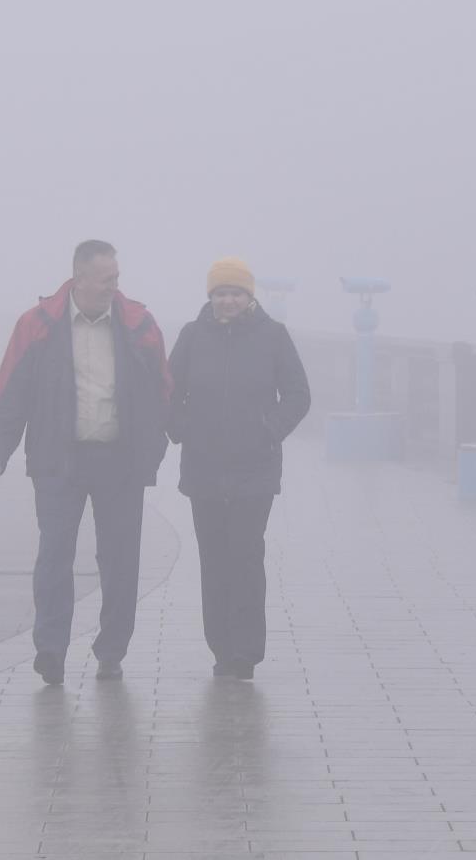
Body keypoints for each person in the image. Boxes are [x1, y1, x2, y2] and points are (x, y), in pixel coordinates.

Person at [0, 240, 171, 685]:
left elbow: (163, 390)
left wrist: (154, 447)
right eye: (107, 280)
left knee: (121, 561)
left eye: (117, 278)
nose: (114, 287)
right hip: (58, 459)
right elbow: (12, 394)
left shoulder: (138, 324)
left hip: (120, 462)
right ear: (79, 279)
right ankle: (50, 649)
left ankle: (111, 650)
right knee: (54, 556)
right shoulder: (38, 325)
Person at [167, 257, 310, 680]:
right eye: (220, 293)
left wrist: (270, 430)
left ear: (250, 297)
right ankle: (221, 648)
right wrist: (182, 429)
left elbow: (299, 395)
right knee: (213, 560)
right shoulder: (192, 337)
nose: (228, 301)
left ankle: (245, 652)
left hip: (254, 470)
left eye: (236, 293)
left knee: (246, 555)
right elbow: (168, 390)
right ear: (210, 296)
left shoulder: (273, 337)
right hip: (204, 468)